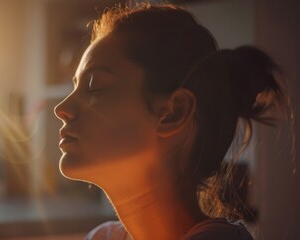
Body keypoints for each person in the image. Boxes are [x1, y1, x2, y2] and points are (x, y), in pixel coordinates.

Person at [54, 3, 289, 240]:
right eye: (75, 86)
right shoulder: (102, 237)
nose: (61, 108)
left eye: (95, 86)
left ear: (174, 112)